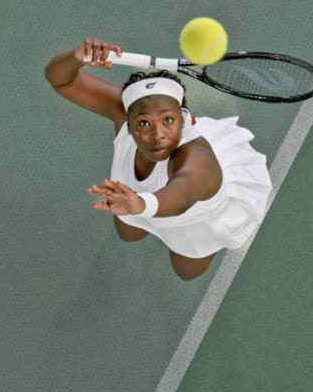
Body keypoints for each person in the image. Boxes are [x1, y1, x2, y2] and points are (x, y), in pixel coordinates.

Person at [43, 37, 272, 280]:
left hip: (193, 220)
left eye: (168, 120)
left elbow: (182, 194)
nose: (157, 135)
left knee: (185, 272)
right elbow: (60, 79)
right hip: (138, 201)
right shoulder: (122, 114)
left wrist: (141, 205)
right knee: (129, 233)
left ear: (183, 119)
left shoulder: (196, 158)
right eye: (143, 123)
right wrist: (77, 57)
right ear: (127, 123)